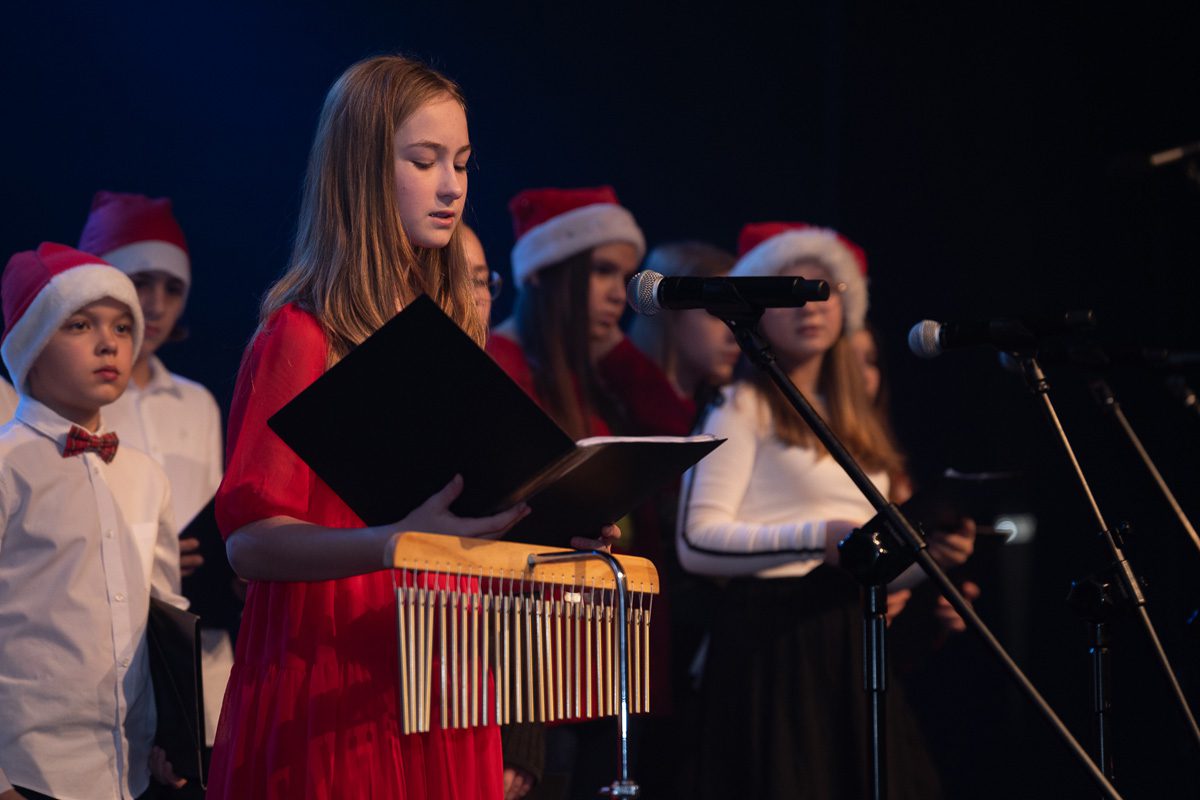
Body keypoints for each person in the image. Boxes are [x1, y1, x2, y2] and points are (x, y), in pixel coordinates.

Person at [205, 55, 621, 800]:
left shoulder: (452, 335)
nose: (452, 186)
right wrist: (394, 542)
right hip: (335, 667)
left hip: (444, 667)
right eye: (424, 161)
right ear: (362, 171)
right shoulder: (303, 333)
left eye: (461, 163)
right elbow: (250, 541)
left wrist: (556, 531)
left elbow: (468, 516)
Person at [678, 222, 975, 799]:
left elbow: (865, 563)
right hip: (774, 645)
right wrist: (820, 538)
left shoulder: (856, 423)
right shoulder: (740, 405)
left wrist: (930, 558)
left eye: (827, 288)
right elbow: (697, 540)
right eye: (792, 289)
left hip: (849, 642)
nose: (811, 304)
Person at [489, 186, 696, 799]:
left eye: (625, 277)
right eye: (602, 271)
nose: (617, 293)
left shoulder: (595, 375)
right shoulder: (502, 362)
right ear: (546, 274)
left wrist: (617, 352)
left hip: (606, 652)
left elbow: (678, 438)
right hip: (537, 654)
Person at [0, 242, 188, 800]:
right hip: (32, 769)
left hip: (130, 769)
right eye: (79, 324)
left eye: (123, 327)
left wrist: (174, 731)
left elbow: (164, 611)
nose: (110, 343)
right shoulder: (8, 466)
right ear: (31, 347)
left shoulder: (146, 475)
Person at [77, 190, 234, 752]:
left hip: (200, 655)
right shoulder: (75, 404)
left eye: (173, 288)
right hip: (106, 657)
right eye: (141, 282)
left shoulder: (196, 402)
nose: (157, 304)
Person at [627, 241, 740, 408]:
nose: (734, 334)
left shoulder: (726, 406)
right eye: (716, 312)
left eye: (737, 313)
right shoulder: (623, 403)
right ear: (669, 312)